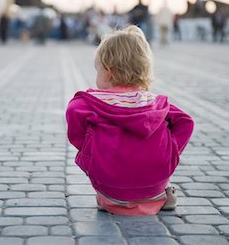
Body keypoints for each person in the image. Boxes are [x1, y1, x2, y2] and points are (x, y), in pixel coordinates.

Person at [66, 25, 194, 216]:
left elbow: (73, 112)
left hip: (110, 188)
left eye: (98, 70)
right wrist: (171, 152)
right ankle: (159, 196)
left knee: (110, 192)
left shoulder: (91, 102)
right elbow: (186, 122)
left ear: (108, 72)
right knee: (161, 147)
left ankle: (113, 199)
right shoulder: (156, 104)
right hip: (153, 188)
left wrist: (89, 151)